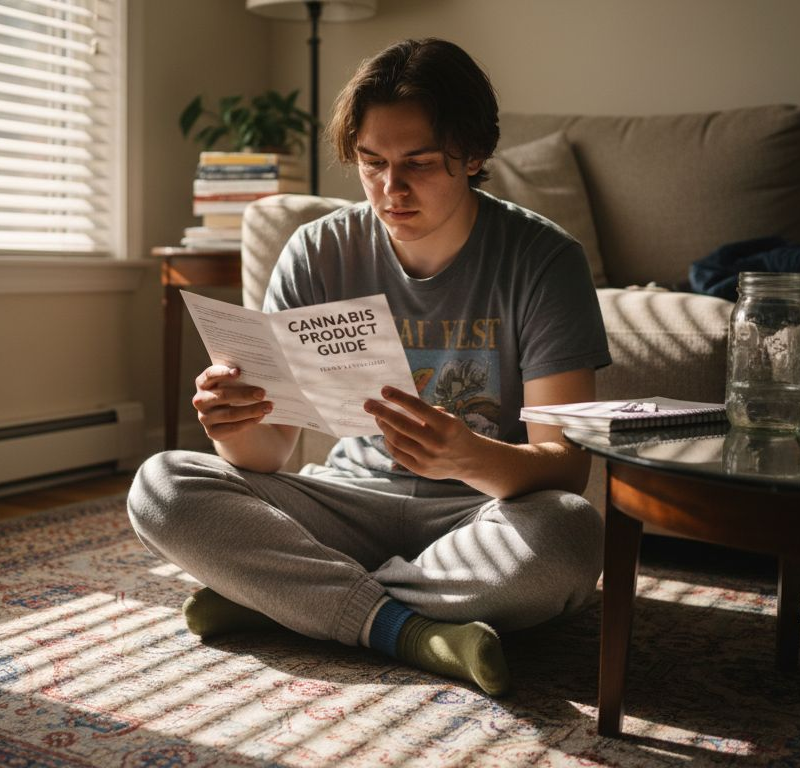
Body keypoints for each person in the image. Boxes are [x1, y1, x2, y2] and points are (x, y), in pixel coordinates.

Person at [129, 38, 610, 696]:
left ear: (473, 155)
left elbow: (564, 463)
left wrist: (466, 456)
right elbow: (268, 456)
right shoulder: (317, 252)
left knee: (571, 535)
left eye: (419, 163)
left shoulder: (544, 259)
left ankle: (284, 599)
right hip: (344, 505)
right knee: (160, 485)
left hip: (479, 516)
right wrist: (230, 422)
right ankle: (410, 630)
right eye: (371, 162)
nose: (392, 189)